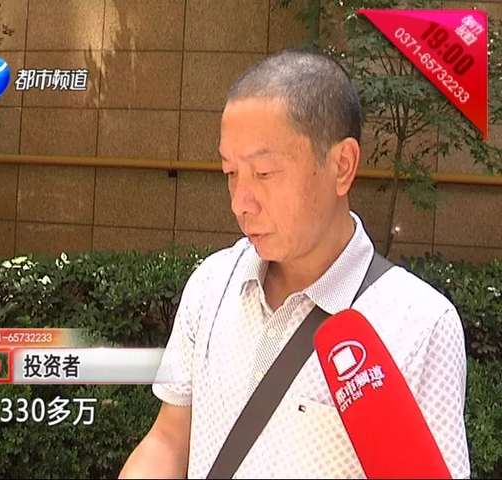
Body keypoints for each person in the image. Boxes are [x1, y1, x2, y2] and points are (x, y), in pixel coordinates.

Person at [118, 49, 470, 479]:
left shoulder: (420, 325)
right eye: (231, 173)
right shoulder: (211, 284)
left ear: (342, 166)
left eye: (264, 173)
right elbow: (170, 439)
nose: (240, 203)